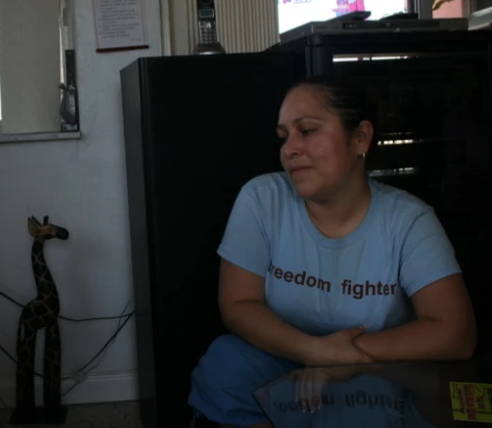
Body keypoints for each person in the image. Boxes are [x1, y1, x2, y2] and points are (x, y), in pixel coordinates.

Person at [188, 79, 477, 428]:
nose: (289, 149)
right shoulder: (261, 199)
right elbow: (237, 305)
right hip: (283, 357)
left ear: (360, 139)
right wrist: (314, 351)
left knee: (373, 408)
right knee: (226, 364)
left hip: (371, 368)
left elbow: (455, 332)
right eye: (284, 136)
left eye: (307, 131)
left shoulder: (409, 220)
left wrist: (342, 361)